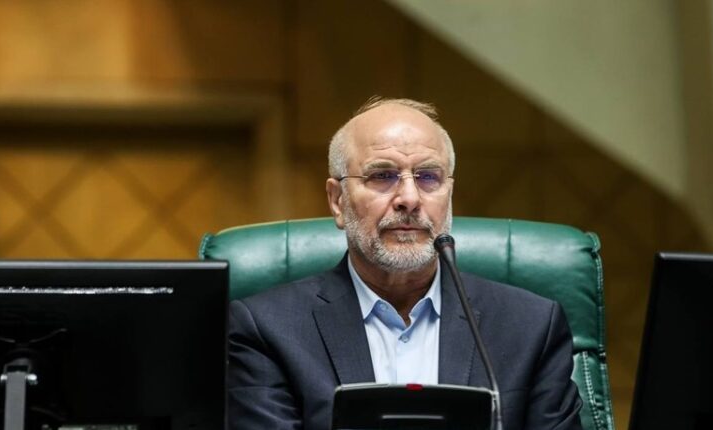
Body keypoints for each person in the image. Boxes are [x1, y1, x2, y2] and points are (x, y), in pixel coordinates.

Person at [227, 96, 583, 430]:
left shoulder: (531, 327)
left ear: (449, 195)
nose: (410, 198)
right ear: (337, 201)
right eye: (382, 176)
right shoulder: (267, 330)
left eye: (428, 177)